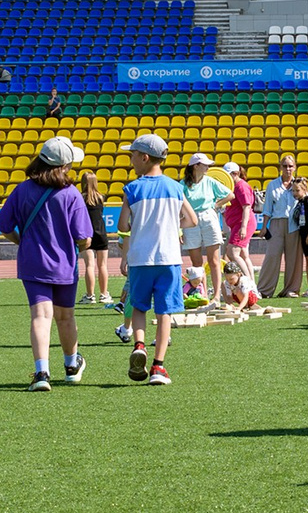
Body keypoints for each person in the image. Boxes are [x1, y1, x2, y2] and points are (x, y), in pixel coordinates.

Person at [0, 136, 94, 389]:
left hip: (32, 262)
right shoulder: (71, 194)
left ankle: (41, 374)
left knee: (40, 317)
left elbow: (4, 227)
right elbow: (84, 238)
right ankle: (72, 365)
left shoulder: (22, 189)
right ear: (64, 166)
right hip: (63, 265)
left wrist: (22, 241)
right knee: (66, 317)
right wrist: (77, 246)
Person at [117, 134, 188, 384]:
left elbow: (123, 224)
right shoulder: (176, 187)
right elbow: (191, 219)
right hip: (168, 257)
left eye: (133, 155)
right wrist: (172, 224)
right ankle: (158, 367)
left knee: (139, 307)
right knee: (164, 312)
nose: (132, 160)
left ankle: (139, 344)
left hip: (140, 257)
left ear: (145, 158)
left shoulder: (132, 188)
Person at [179, 152, 228, 282]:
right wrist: (179, 229)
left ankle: (217, 295)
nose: (208, 167)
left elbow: (230, 195)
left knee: (214, 261)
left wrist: (216, 205)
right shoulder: (182, 184)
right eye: (205, 165)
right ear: (196, 166)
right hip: (190, 220)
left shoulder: (210, 181)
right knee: (197, 263)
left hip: (209, 217)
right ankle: (202, 293)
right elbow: (178, 207)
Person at [260, 154, 302, 297]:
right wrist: (264, 226)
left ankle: (291, 289)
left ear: (294, 167)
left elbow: (307, 198)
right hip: (276, 223)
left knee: (293, 258)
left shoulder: (299, 184)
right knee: (272, 255)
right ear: (280, 167)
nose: (288, 169)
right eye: (285, 166)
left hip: (294, 224)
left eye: (290, 166)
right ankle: (264, 290)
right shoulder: (272, 185)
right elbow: (267, 208)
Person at [78, 168, 114, 306]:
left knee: (89, 265)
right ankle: (104, 294)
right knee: (103, 265)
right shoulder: (101, 197)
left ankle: (89, 295)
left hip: (86, 234)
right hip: (101, 233)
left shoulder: (80, 198)